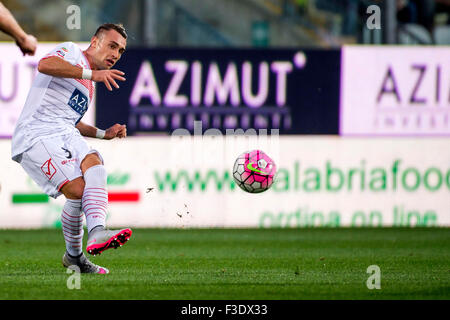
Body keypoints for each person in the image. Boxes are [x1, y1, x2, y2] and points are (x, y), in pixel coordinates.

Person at [11, 23, 132, 274]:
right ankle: (76, 255)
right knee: (77, 190)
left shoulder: (89, 86)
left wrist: (103, 133)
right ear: (95, 41)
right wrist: (90, 74)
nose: (115, 54)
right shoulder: (71, 53)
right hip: (36, 133)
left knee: (94, 160)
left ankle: (96, 233)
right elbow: (44, 65)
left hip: (64, 132)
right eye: (111, 46)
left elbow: (71, 122)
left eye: (120, 51)